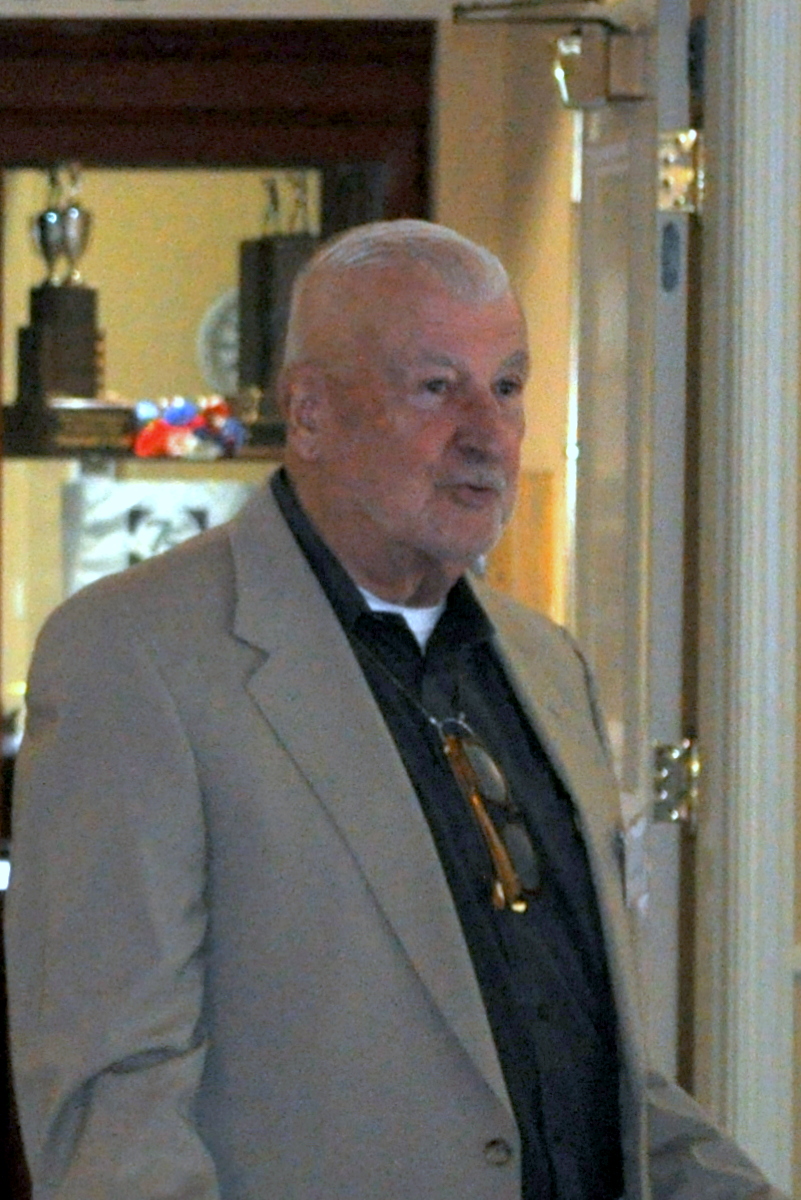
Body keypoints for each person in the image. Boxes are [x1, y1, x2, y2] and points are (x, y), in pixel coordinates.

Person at [4, 220, 784, 1200]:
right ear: (311, 412)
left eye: (507, 386)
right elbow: (114, 1112)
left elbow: (591, 1078)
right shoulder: (137, 656)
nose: (488, 434)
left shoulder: (546, 666)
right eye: (436, 387)